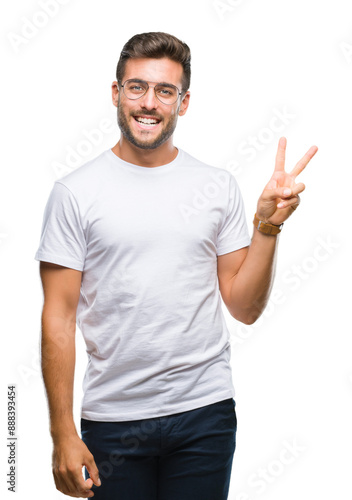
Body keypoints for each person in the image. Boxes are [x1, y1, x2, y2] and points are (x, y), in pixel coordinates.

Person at [34, 31, 318, 499]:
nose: (150, 102)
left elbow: (244, 308)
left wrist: (266, 228)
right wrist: (62, 433)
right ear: (116, 93)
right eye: (137, 87)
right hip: (113, 421)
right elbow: (58, 318)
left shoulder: (216, 185)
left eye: (165, 91)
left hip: (204, 414)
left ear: (182, 103)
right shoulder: (75, 193)